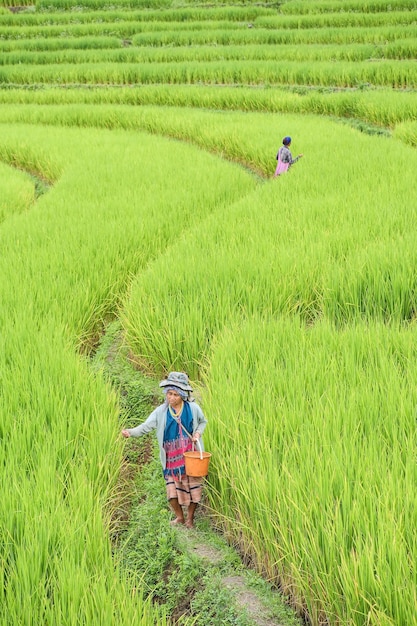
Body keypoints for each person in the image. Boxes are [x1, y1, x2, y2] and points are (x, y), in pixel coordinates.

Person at [121, 371, 208, 529]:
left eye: (175, 394)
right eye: (169, 394)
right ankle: (179, 517)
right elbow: (146, 426)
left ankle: (190, 519)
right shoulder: (161, 412)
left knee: (194, 490)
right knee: (171, 493)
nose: (171, 398)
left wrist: (197, 433)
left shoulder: (193, 408)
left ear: (182, 395)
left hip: (190, 455)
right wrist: (131, 432)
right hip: (171, 458)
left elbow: (203, 422)